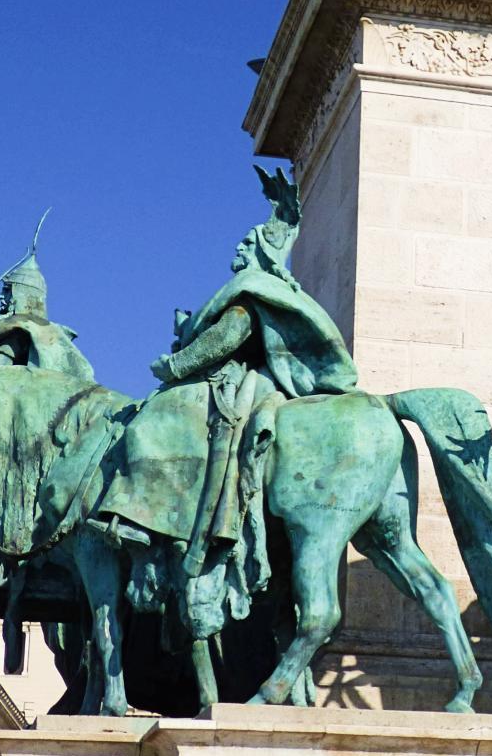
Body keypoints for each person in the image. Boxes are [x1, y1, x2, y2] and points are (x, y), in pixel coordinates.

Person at [96, 166, 359, 641]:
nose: (237, 250)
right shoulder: (259, 290)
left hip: (237, 382)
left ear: (262, 251)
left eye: (246, 244)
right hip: (245, 381)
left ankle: (145, 524)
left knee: (153, 423)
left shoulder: (251, 291)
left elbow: (231, 335)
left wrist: (174, 367)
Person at [0, 209, 96, 381]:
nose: (1, 297)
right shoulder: (58, 337)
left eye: (7, 290)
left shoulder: (14, 330)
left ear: (20, 293)